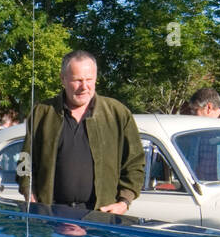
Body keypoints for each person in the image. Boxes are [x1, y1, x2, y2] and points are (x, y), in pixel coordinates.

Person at [17, 50, 143, 216]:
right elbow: (24, 160)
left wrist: (124, 201)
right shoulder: (42, 113)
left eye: (89, 79)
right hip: (51, 217)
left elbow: (135, 163)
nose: (85, 87)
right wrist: (27, 190)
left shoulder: (117, 113)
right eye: (77, 80)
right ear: (63, 79)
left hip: (101, 217)